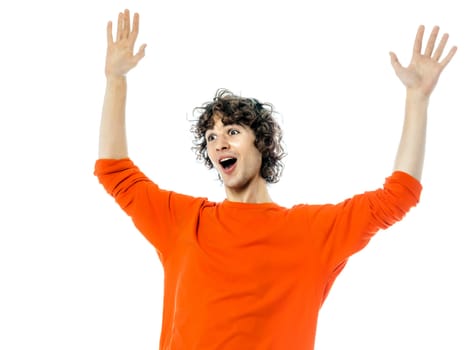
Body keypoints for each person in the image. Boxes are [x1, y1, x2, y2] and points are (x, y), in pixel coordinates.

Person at [94, 8, 457, 350]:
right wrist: (115, 79)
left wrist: (417, 99)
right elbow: (115, 172)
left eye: (232, 131)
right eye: (211, 137)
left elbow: (398, 196)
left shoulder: (310, 232)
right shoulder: (183, 221)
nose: (219, 141)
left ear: (261, 143)